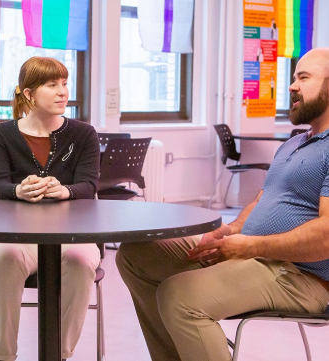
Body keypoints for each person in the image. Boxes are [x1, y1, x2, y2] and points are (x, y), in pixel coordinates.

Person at [116, 47, 329, 361]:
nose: (291, 86)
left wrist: (251, 246)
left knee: (180, 297)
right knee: (136, 255)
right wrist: (229, 231)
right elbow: (263, 198)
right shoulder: (295, 142)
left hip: (299, 276)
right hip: (254, 258)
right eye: (293, 77)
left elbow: (326, 237)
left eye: (304, 78)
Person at [0, 57, 101, 361]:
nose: (63, 91)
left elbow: (89, 186)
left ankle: (58, 355)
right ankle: (2, 357)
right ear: (29, 93)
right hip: (18, 235)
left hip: (74, 235)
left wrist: (65, 190)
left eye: (64, 83)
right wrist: (17, 190)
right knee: (3, 256)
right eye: (52, 85)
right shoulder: (1, 134)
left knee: (80, 259)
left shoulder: (84, 133)